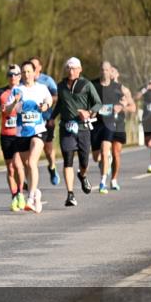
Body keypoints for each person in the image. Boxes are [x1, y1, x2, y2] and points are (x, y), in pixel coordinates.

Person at [5, 61, 52, 213]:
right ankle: (36, 192)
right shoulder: (16, 90)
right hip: (22, 133)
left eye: (29, 71)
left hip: (38, 130)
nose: (26, 74)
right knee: (27, 166)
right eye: (24, 72)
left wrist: (45, 106)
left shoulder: (41, 88)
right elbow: (7, 111)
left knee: (32, 162)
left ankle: (30, 198)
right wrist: (15, 102)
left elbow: (49, 100)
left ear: (34, 73)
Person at [55, 57, 101, 206]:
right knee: (67, 159)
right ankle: (70, 194)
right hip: (67, 128)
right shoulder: (61, 86)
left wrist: (89, 112)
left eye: (74, 68)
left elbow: (98, 103)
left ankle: (82, 175)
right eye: (68, 68)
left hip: (83, 128)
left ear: (80, 69)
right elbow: (59, 105)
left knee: (84, 162)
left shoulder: (86, 84)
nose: (71, 71)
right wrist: (50, 118)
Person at [92, 61, 135, 193]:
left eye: (109, 70)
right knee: (97, 157)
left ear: (113, 72)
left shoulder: (122, 89)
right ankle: (106, 161)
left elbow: (133, 107)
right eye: (103, 70)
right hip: (98, 123)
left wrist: (121, 107)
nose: (107, 73)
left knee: (115, 152)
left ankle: (112, 179)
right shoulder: (94, 85)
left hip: (117, 124)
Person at [0, 64, 26, 211]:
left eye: (15, 74)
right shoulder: (1, 92)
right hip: (6, 135)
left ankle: (21, 193)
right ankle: (14, 196)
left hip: (20, 134)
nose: (13, 77)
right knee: (10, 168)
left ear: (20, 76)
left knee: (18, 165)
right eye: (10, 75)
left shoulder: (24, 90)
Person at [30, 57, 60, 186]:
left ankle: (52, 167)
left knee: (48, 150)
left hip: (46, 118)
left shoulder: (47, 80)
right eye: (31, 65)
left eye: (35, 65)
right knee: (30, 152)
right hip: (30, 121)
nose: (33, 67)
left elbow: (57, 96)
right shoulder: (25, 80)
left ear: (40, 67)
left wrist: (47, 101)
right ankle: (30, 177)